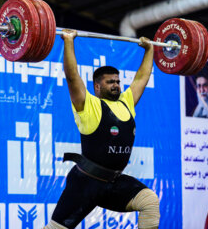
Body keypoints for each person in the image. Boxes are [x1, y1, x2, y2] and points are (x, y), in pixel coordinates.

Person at [43, 29, 160, 229]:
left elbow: (142, 78)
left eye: (117, 81)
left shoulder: (126, 103)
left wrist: (149, 49)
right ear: (97, 87)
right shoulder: (89, 106)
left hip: (113, 183)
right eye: (110, 82)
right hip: (85, 184)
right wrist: (69, 41)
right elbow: (72, 77)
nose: (116, 85)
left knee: (149, 202)